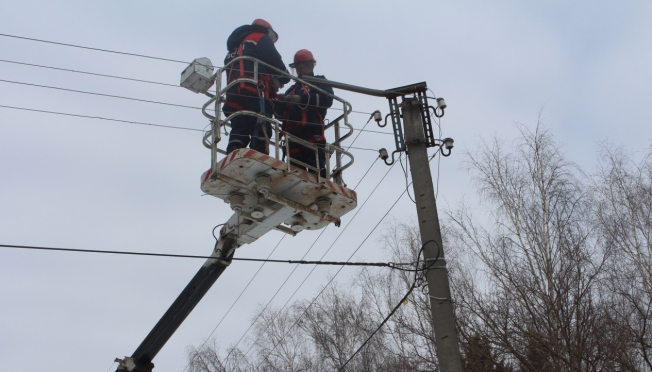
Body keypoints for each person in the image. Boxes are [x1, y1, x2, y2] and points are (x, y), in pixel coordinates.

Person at [223, 19, 290, 154]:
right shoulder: (259, 37)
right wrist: (284, 77)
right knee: (260, 119)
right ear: (266, 30)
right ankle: (259, 149)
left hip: (233, 93)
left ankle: (235, 148)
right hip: (254, 88)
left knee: (239, 122)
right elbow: (275, 61)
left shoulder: (234, 48)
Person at [275, 49, 333, 178]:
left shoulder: (320, 82)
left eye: (304, 65)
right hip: (292, 134)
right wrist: (279, 103)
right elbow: (280, 115)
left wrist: (303, 99)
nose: (301, 69)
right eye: (298, 66)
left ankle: (320, 188)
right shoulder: (291, 89)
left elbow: (327, 100)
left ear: (312, 65)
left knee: (316, 166)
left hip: (311, 129)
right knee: (295, 171)